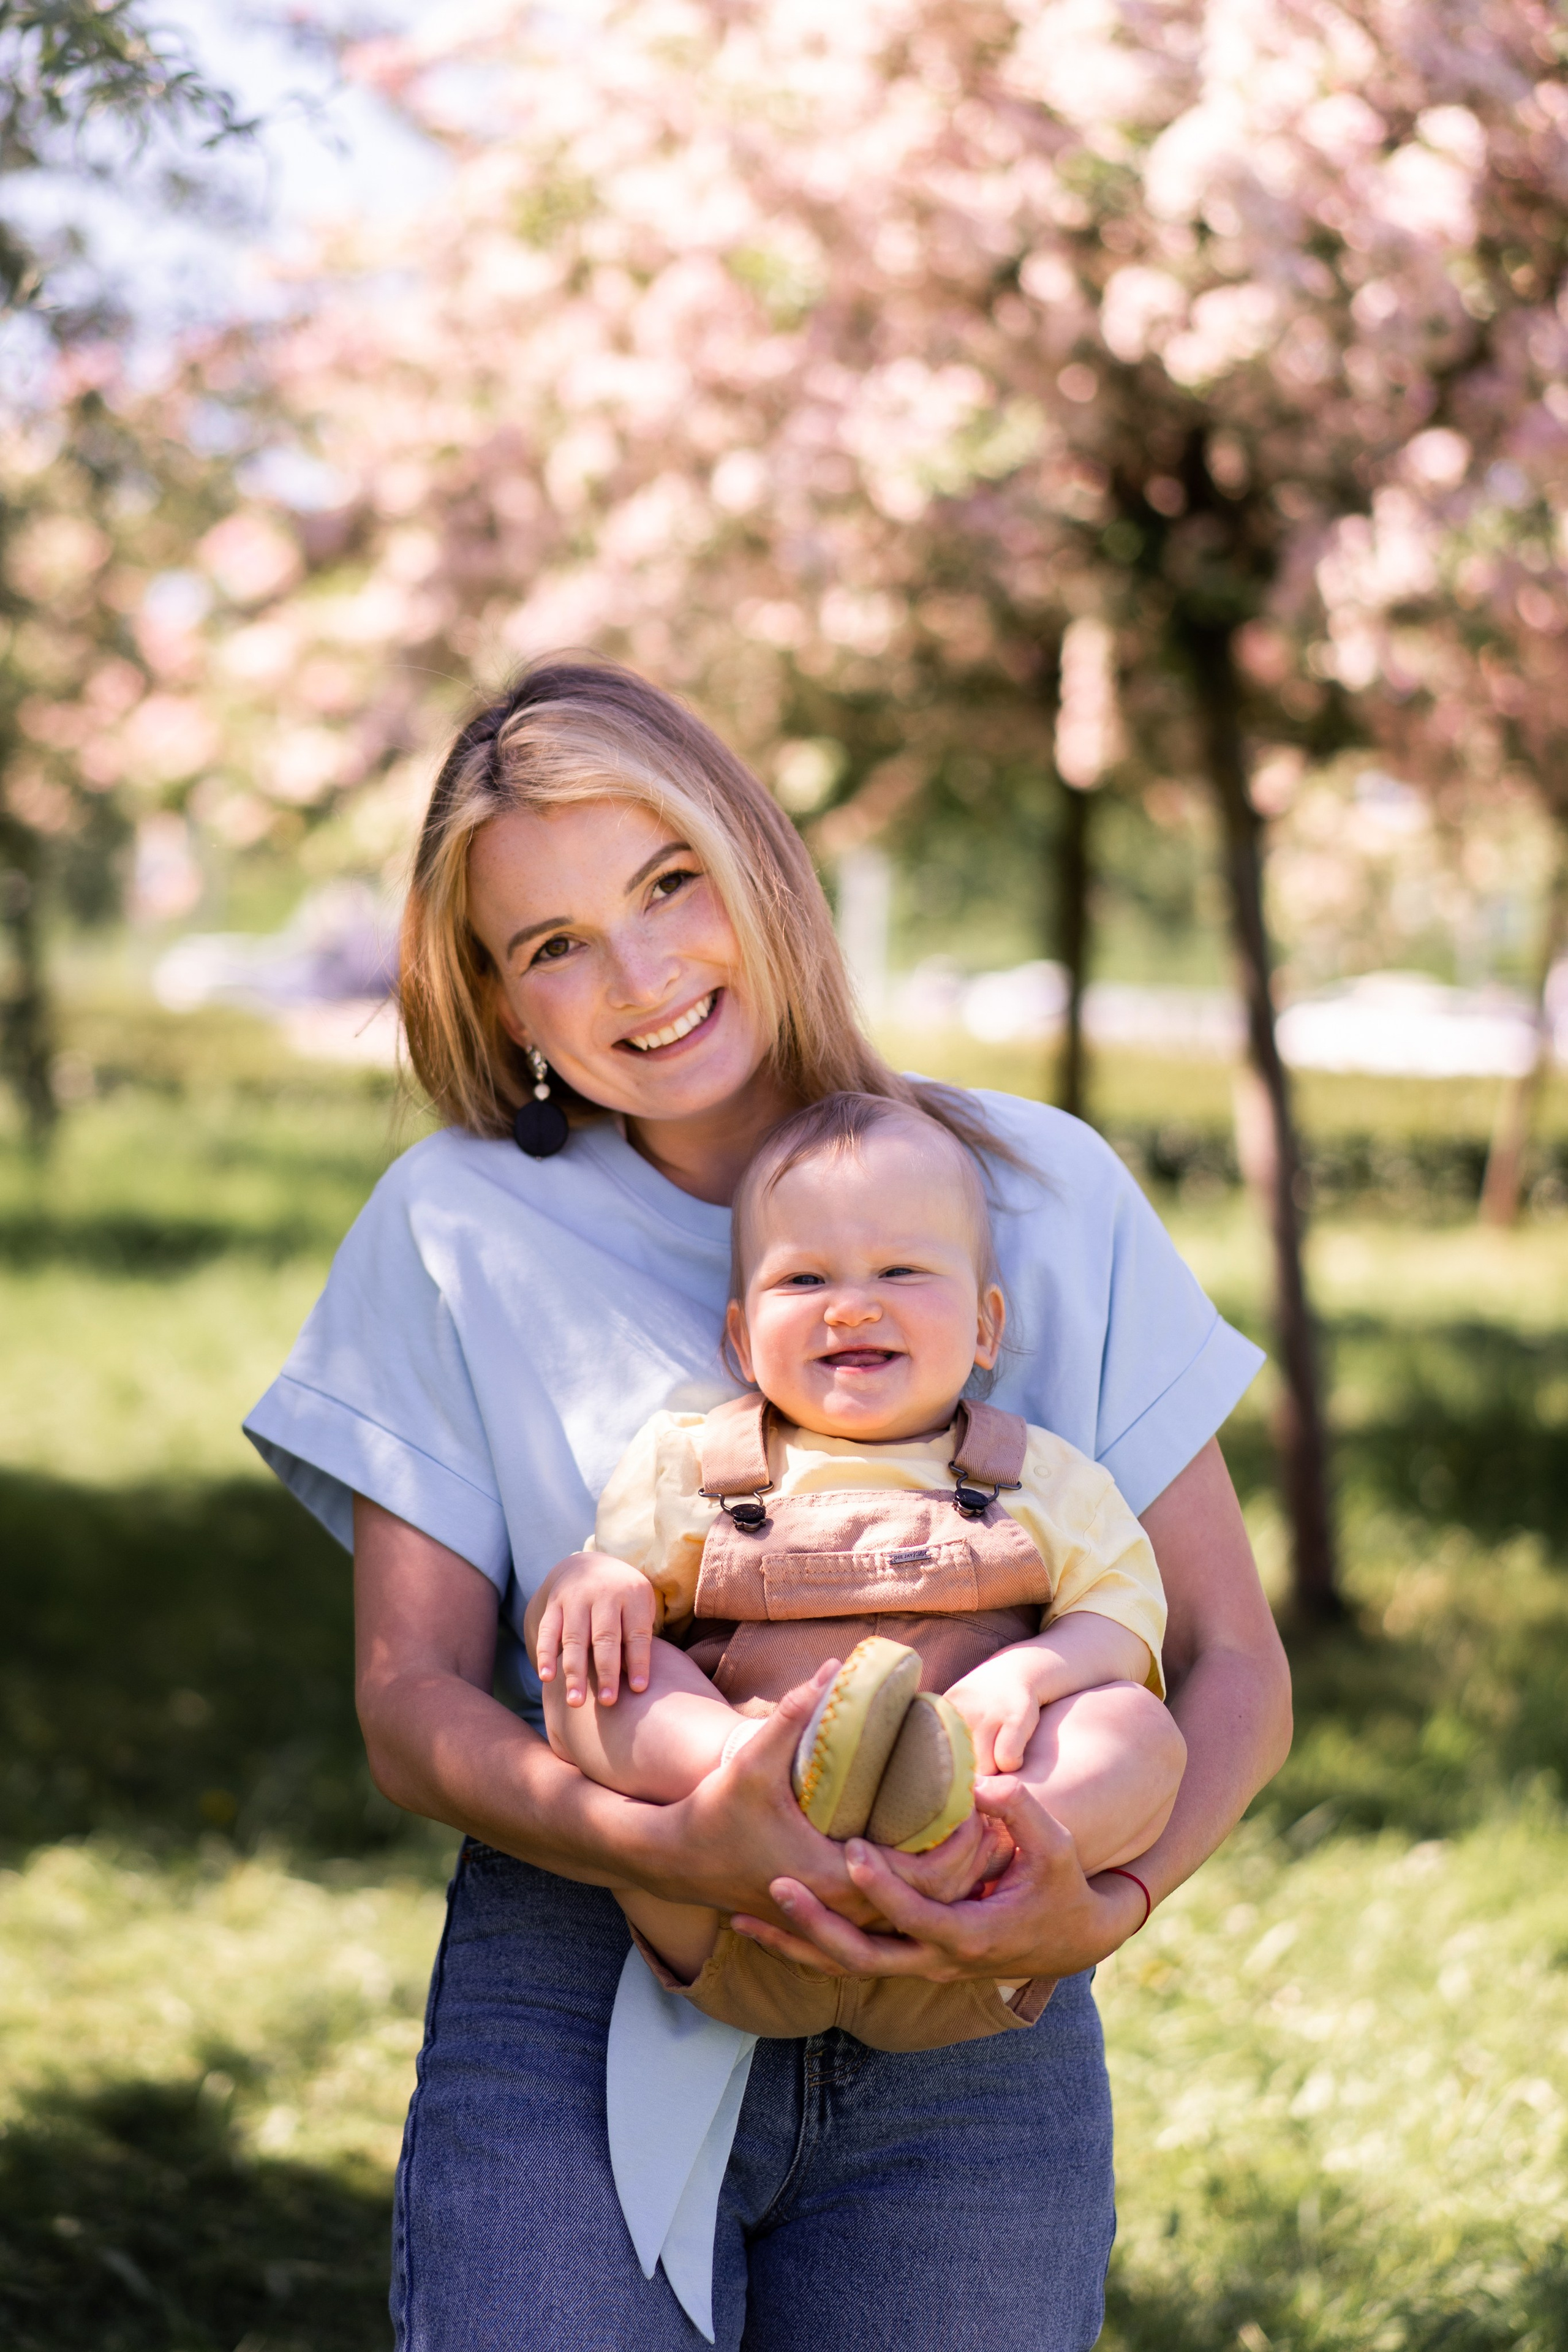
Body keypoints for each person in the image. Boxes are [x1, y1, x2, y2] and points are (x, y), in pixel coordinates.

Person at [244, 657, 1291, 2352]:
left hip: (976, 1995)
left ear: (757, 864)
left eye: (669, 886)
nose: (642, 975)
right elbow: (411, 1704)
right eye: (554, 944)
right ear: (502, 1004)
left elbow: (1234, 1660)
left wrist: (1100, 1897)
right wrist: (671, 1834)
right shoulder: (454, 1230)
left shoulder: (1044, 1195)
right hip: (587, 1961)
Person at [529, 1088, 1186, 2052]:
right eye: (802, 1281)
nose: (852, 1304)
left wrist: (1027, 1675)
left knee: (1138, 1730)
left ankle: (956, 1827)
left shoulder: (1041, 1476)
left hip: (966, 1907)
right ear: (743, 1340)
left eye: (902, 1269)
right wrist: (587, 1586)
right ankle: (766, 1774)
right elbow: (612, 1598)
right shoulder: (695, 1466)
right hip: (736, 1889)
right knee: (593, 1676)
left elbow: (1126, 1620)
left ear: (985, 1329)